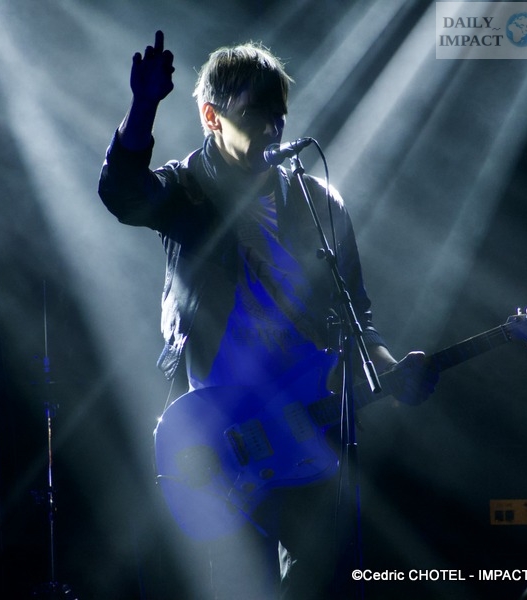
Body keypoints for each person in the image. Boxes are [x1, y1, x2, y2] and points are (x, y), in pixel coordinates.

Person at [99, 30, 437, 600]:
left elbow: (356, 314)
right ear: (211, 117)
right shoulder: (188, 190)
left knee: (332, 582)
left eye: (279, 114)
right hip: (225, 435)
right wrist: (143, 106)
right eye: (255, 114)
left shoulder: (318, 202)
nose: (273, 128)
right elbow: (123, 193)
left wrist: (389, 370)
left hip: (310, 427)